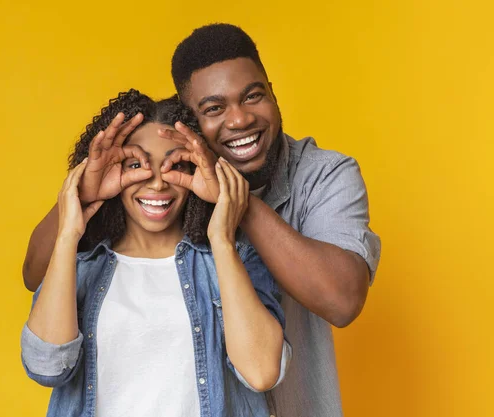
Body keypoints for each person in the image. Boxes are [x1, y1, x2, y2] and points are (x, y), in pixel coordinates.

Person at [22, 24, 381, 416]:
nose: (240, 119)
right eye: (214, 108)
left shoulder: (321, 176)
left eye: (253, 96)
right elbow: (36, 292)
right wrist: (78, 200)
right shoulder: (103, 252)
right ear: (189, 122)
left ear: (273, 93)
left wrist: (231, 207)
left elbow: (340, 301)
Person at [20, 90, 291, 417]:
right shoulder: (79, 267)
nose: (158, 183)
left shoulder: (237, 260)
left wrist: (221, 237)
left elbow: (262, 373)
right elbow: (46, 366)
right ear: (109, 170)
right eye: (136, 164)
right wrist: (68, 232)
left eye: (175, 164)